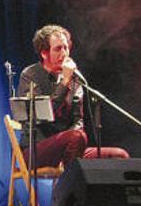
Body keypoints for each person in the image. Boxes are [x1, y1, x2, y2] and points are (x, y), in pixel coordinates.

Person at [16, 24, 88, 168]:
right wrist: (64, 82)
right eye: (58, 49)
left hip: (68, 145)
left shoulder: (75, 79)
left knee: (118, 155)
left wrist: (71, 141)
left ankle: (73, 184)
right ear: (44, 53)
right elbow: (42, 115)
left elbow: (78, 120)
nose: (64, 53)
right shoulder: (30, 75)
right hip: (37, 149)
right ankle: (67, 190)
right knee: (76, 137)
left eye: (66, 47)